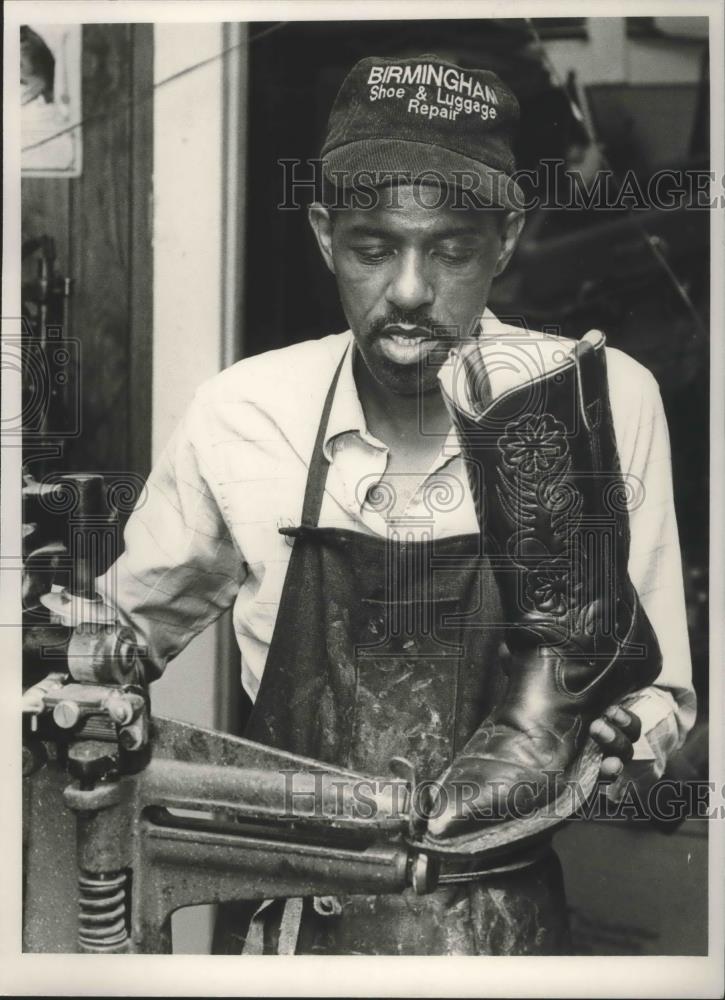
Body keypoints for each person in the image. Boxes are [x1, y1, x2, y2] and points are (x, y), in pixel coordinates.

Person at [96, 54, 695, 955]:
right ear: (324, 235)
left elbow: (653, 695)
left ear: (505, 238)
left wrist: (617, 735)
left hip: (497, 922)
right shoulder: (243, 409)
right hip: (292, 912)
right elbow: (115, 642)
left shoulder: (599, 400)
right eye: (374, 248)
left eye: (451, 249)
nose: (409, 290)